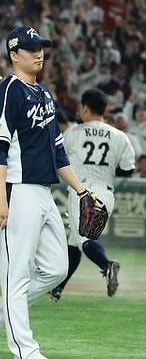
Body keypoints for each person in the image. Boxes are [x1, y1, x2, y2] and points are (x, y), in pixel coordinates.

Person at [0, 27, 92, 359]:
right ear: (14, 54)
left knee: (56, 268)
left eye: (41, 48)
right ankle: (25, 356)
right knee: (16, 275)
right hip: (17, 189)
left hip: (42, 190)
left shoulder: (44, 93)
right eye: (31, 48)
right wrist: (1, 197)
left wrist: (81, 190)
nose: (39, 54)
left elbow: (57, 149)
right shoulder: (7, 93)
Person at [49, 88, 135, 301]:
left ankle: (107, 266)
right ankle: (57, 288)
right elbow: (128, 169)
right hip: (105, 193)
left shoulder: (73, 133)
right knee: (75, 240)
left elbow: (57, 160)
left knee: (83, 238)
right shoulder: (119, 136)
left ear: (85, 108)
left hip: (82, 192)